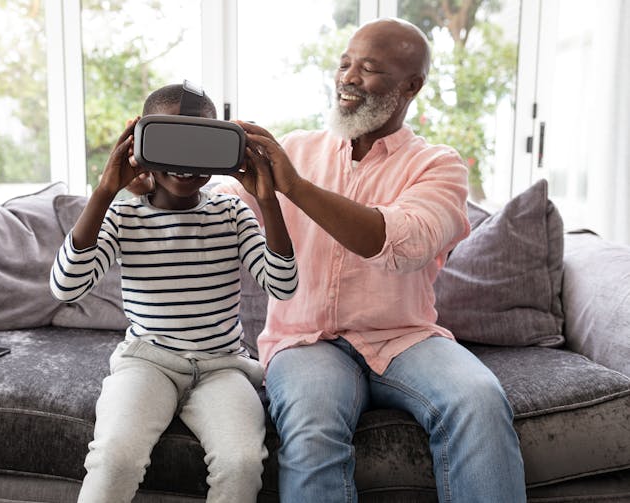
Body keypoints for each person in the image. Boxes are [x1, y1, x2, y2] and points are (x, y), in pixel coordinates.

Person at [215, 17, 528, 503]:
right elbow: (221, 207)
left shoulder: (438, 166)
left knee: (479, 399)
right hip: (305, 340)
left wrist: (294, 187)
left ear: (412, 85)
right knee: (311, 421)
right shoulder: (295, 149)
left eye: (369, 68)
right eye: (344, 64)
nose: (349, 77)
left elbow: (401, 242)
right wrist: (169, 182)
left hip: (404, 337)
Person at [50, 83, 298, 503]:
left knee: (241, 462)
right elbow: (66, 286)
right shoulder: (124, 214)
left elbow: (282, 285)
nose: (184, 162)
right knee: (114, 457)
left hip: (223, 367)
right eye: (170, 142)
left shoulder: (231, 211)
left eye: (198, 143)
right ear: (141, 143)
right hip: (148, 363)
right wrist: (105, 190)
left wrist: (266, 200)